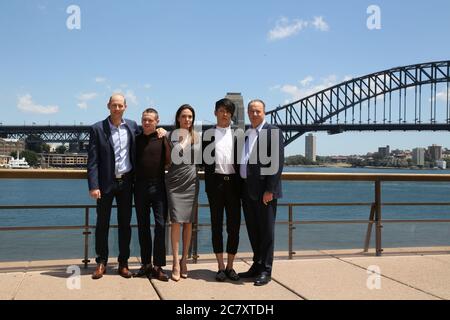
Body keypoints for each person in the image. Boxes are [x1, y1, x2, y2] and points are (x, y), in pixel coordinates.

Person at [87, 93, 139, 279]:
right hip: (105, 184)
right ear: (108, 106)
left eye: (120, 105)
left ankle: (123, 263)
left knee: (125, 224)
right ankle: (101, 262)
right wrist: (94, 185)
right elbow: (92, 161)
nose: (117, 108)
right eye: (114, 105)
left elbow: (146, 140)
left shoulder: (133, 127)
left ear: (125, 107)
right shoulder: (97, 128)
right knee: (102, 224)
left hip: (126, 183)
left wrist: (162, 131)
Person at [238, 99, 284, 286]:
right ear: (248, 113)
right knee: (253, 231)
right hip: (247, 191)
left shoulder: (272, 131)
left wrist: (270, 190)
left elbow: (277, 162)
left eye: (258, 111)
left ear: (264, 112)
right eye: (252, 111)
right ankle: (256, 265)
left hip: (264, 192)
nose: (254, 114)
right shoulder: (247, 133)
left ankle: (266, 270)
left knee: (266, 232)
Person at [202, 98, 241, 282]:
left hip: (234, 185)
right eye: (221, 110)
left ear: (231, 114)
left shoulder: (240, 135)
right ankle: (219, 267)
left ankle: (231, 266)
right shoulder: (207, 134)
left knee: (234, 228)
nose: (224, 114)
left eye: (228, 111)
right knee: (216, 226)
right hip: (215, 185)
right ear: (215, 112)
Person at [132, 108, 170, 281]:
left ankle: (158, 266)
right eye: (144, 120)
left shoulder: (163, 138)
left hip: (159, 185)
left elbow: (170, 160)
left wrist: (167, 135)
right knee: (143, 226)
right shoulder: (135, 138)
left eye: (150, 120)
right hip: (139, 186)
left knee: (161, 226)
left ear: (157, 121)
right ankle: (146, 264)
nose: (146, 123)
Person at [165, 104, 200, 281]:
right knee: (176, 221)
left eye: (190, 117)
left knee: (188, 222)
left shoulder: (198, 137)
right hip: (174, 182)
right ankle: (175, 263)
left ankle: (184, 259)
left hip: (191, 182)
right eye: (184, 116)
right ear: (178, 118)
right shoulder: (169, 136)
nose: (187, 119)